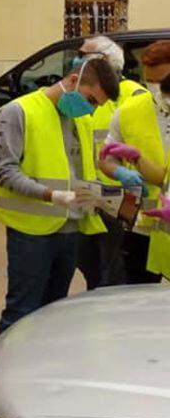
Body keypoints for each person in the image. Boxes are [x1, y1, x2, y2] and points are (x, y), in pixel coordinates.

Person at [0, 58, 119, 335]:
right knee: (22, 309)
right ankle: (3, 370)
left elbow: (80, 169)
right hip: (31, 231)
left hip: (69, 228)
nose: (91, 109)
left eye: (97, 105)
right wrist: (51, 195)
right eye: (91, 99)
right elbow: (2, 171)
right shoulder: (18, 111)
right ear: (72, 81)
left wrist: (105, 195)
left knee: (53, 310)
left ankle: (39, 371)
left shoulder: (79, 118)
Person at [77, 35, 148, 288]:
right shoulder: (79, 93)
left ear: (103, 60)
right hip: (88, 196)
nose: (76, 59)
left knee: (113, 275)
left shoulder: (133, 96)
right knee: (91, 270)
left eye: (83, 55)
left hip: (118, 203)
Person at [98, 39, 170, 284]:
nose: (157, 89)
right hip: (140, 223)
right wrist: (119, 170)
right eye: (151, 81)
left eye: (164, 82)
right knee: (138, 299)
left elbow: (163, 175)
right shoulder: (130, 110)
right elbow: (106, 159)